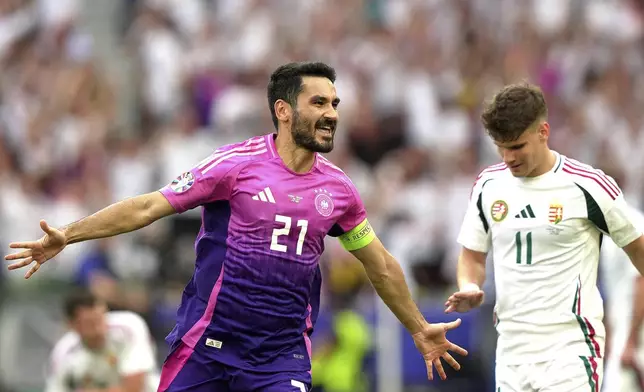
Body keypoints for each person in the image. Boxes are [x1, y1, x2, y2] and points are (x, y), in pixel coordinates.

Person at [6, 61, 467, 392]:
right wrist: (70, 233)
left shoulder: (340, 191)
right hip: (208, 344)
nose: (332, 113)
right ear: (284, 111)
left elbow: (380, 263)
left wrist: (418, 326)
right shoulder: (235, 167)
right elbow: (149, 207)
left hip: (278, 357)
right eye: (319, 102)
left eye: (335, 103)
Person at [444, 82, 644, 392]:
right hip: (511, 351)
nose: (508, 157)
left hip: (570, 349)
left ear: (543, 132)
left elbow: (638, 249)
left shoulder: (588, 186)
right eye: (501, 146)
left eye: (517, 146)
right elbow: (472, 255)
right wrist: (469, 285)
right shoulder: (488, 186)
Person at [45, 290, 159, 392]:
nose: (100, 329)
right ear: (72, 325)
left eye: (101, 318)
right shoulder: (63, 353)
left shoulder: (129, 327)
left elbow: (133, 389)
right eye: (90, 323)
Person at [600, 206, 644, 391]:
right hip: (622, 329)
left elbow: (641, 281)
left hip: (634, 330)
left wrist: (631, 338)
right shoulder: (600, 227)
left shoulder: (632, 222)